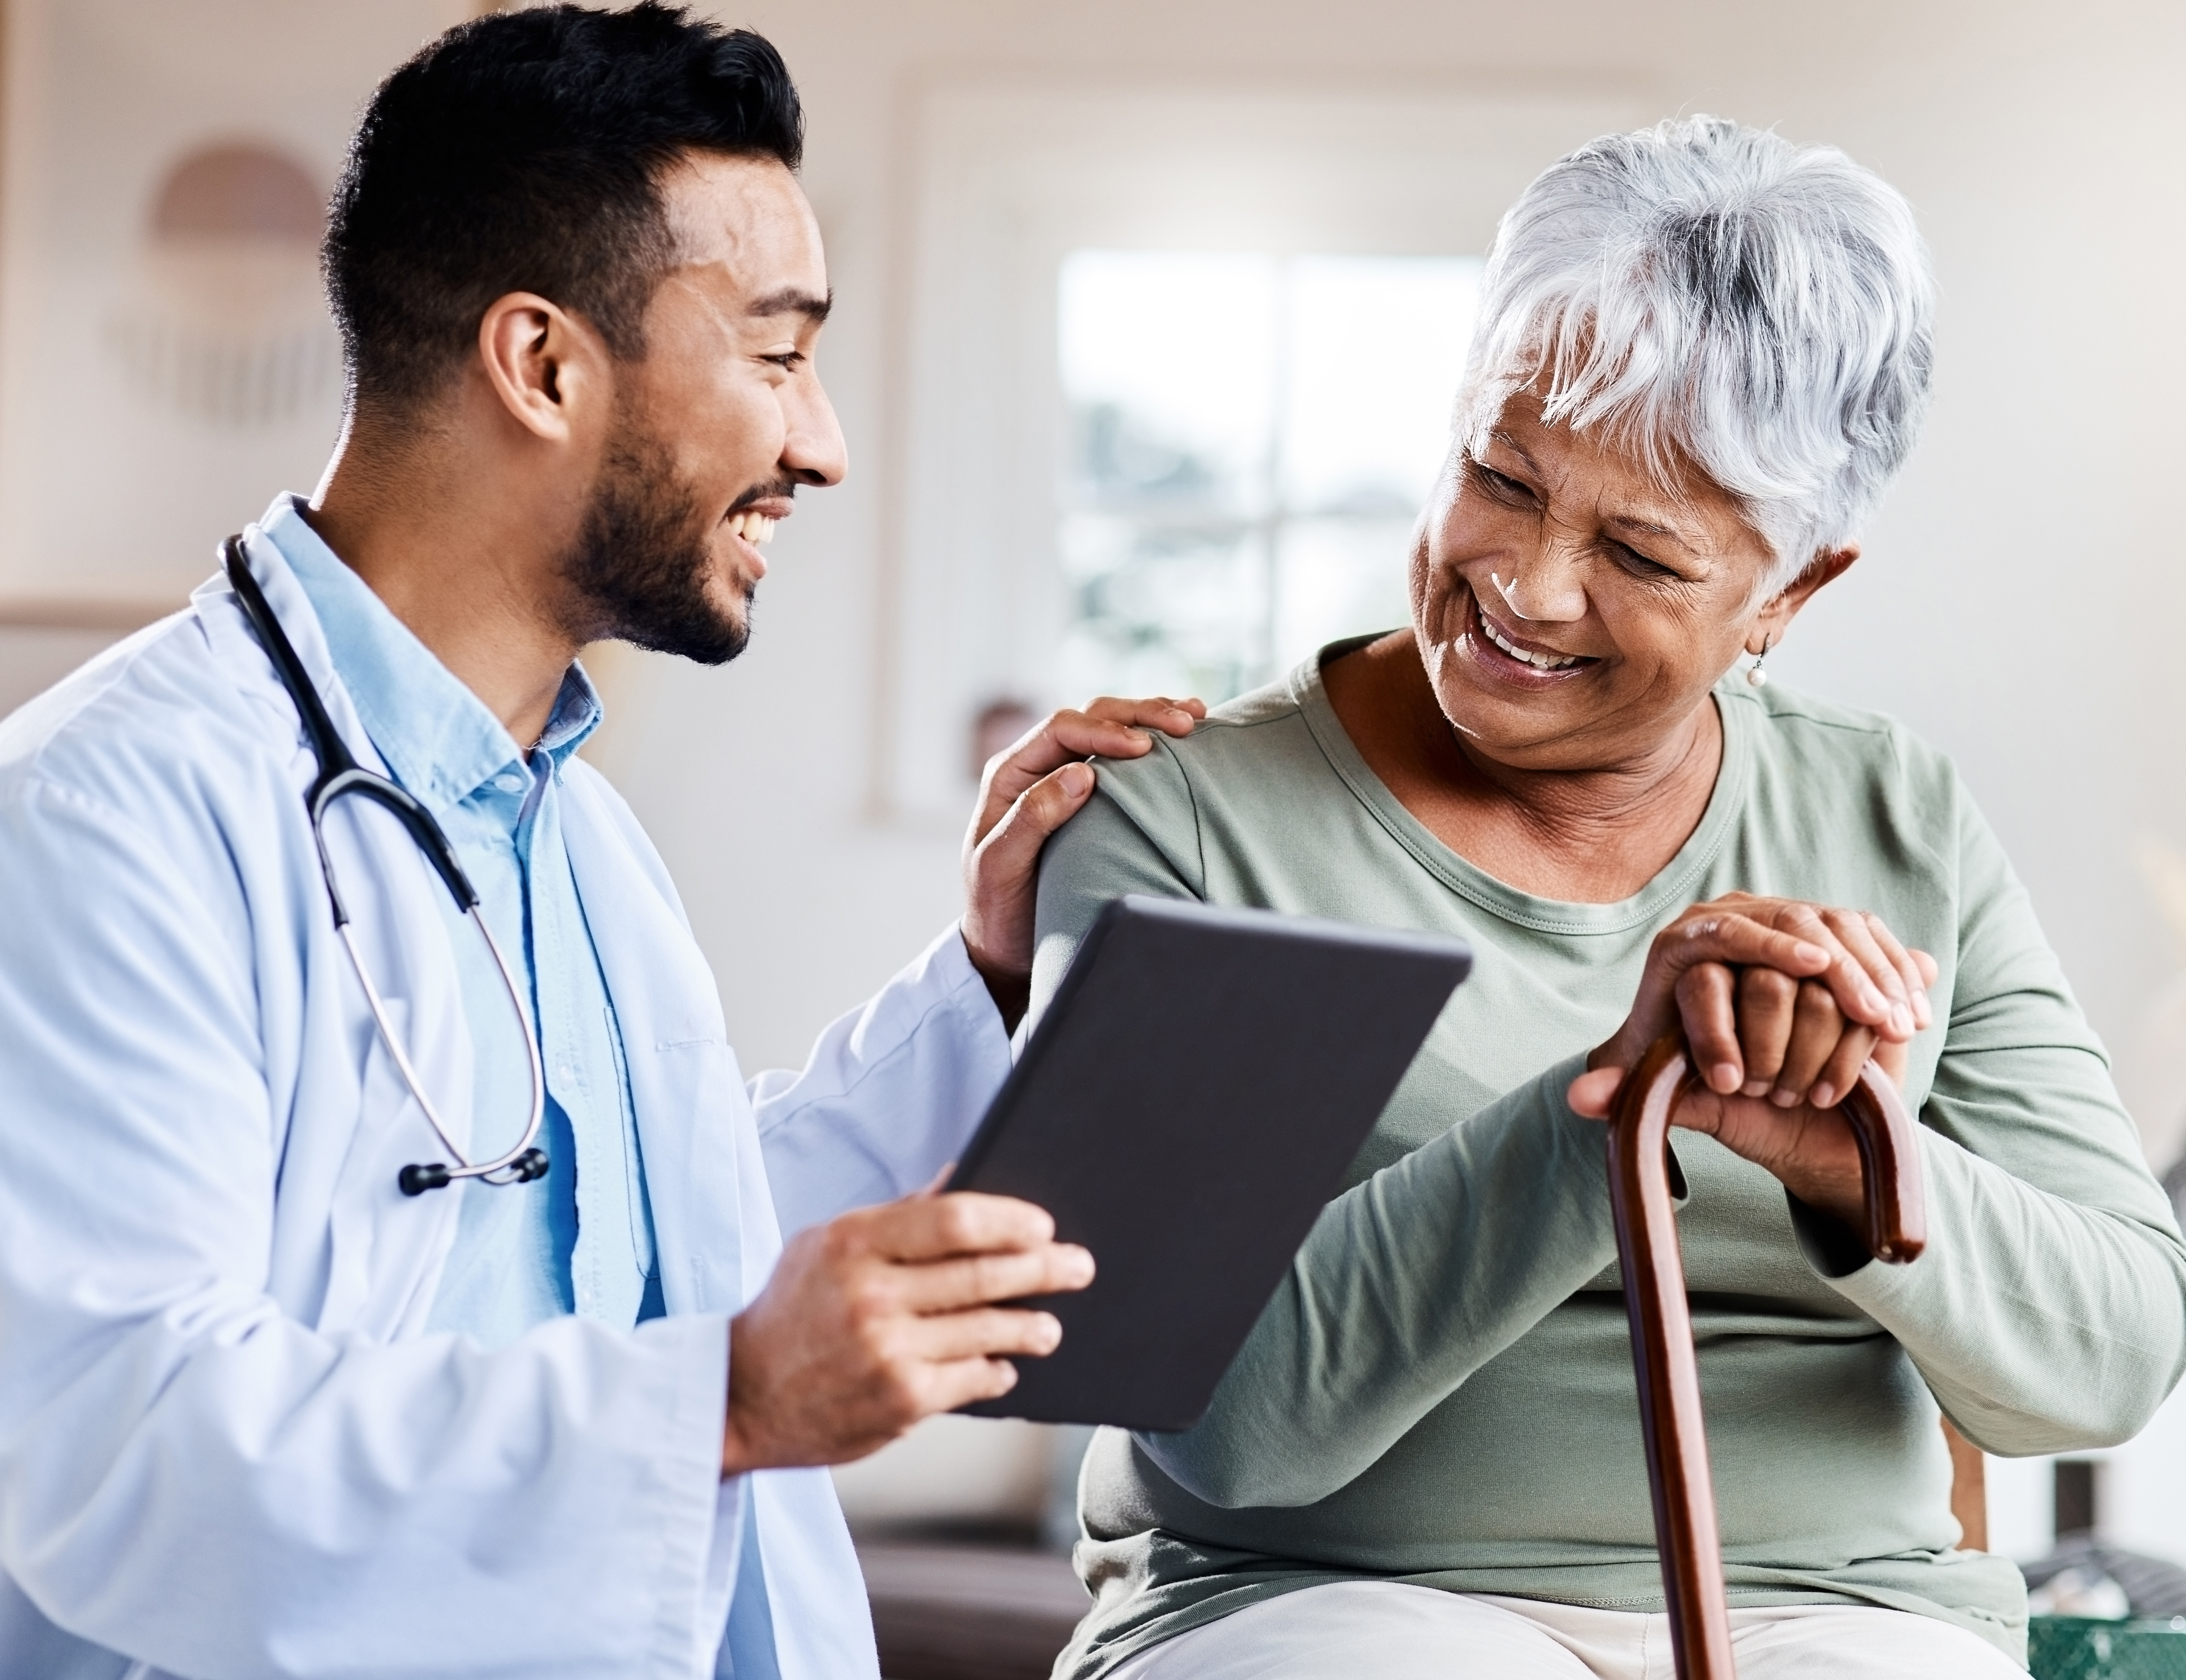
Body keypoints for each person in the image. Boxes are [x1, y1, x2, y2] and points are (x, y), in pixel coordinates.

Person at [0, 8, 1204, 1678]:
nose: (822, 443)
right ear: (544, 364)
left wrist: (991, 979)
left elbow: (675, 1245)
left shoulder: (570, 823)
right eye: (778, 355)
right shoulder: (101, 821)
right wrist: (723, 1398)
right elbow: (117, 1451)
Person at [1030, 116, 2186, 1679]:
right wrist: (1608, 1109)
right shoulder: (1191, 819)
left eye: (1641, 553)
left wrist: (1860, 1160)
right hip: (1317, 1606)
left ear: (1792, 589)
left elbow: (2112, 1358)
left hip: (1838, 1614)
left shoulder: (1889, 813)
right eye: (1500, 476)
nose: (1528, 583)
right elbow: (1218, 1423)